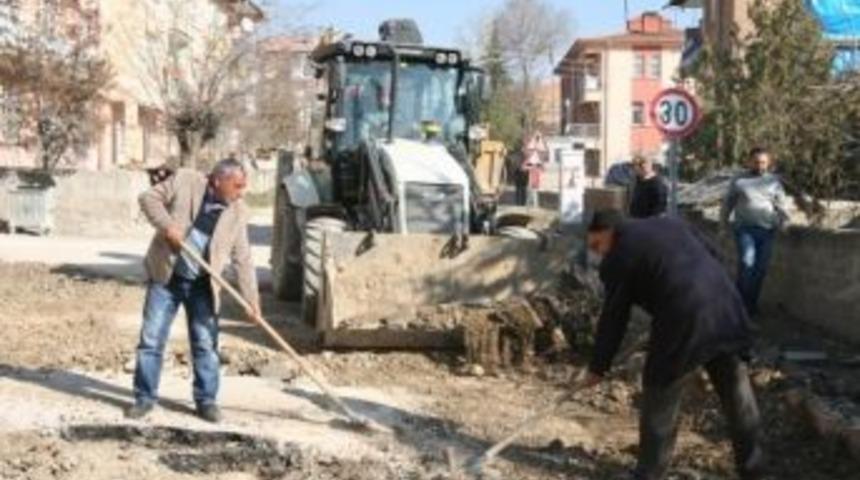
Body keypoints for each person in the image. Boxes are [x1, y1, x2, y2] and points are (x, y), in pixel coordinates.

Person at [580, 211, 765, 480]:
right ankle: (754, 469)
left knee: (660, 391)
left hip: (684, 320)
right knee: (737, 393)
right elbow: (716, 256)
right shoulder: (671, 222)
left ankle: (649, 474)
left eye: (597, 245)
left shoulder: (619, 255)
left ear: (609, 230)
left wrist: (597, 367)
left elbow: (614, 317)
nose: (598, 253)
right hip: (727, 308)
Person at [126, 158, 261, 423]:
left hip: (202, 284)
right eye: (237, 186)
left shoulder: (238, 212)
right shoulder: (185, 180)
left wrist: (251, 300)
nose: (241, 192)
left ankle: (206, 401)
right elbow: (148, 198)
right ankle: (144, 398)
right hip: (167, 277)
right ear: (218, 180)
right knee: (151, 340)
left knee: (205, 344)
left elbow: (243, 259)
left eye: (243, 186)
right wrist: (168, 226)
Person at [720, 147, 789, 317]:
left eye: (763, 162)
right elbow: (728, 204)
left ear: (768, 163)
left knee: (761, 269)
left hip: (767, 230)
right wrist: (722, 226)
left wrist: (785, 222)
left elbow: (782, 205)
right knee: (747, 263)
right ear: (749, 161)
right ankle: (739, 305)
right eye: (756, 162)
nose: (760, 165)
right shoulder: (739, 180)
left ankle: (750, 305)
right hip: (745, 229)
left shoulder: (773, 182)